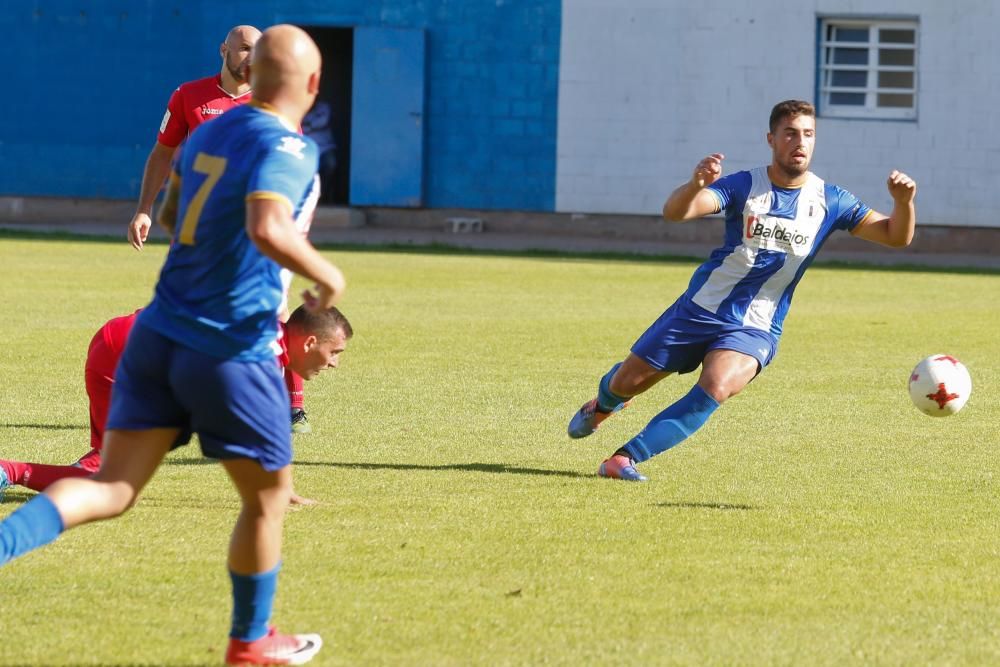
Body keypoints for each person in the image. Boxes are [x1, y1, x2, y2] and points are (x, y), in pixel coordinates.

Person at [0, 25, 345, 666]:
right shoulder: (292, 149)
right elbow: (269, 226)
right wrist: (326, 276)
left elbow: (169, 215)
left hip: (156, 334)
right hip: (229, 345)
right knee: (268, 500)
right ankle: (250, 643)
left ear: (252, 73)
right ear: (314, 86)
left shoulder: (208, 132)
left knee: (111, 487)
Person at [567, 99, 917, 482]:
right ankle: (603, 406)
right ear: (771, 139)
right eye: (790, 133)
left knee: (717, 385)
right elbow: (677, 212)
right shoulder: (745, 186)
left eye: (808, 134)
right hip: (700, 309)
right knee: (625, 383)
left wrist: (904, 203)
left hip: (757, 325)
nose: (800, 142)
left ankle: (624, 459)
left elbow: (895, 237)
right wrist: (696, 185)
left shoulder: (832, 200)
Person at [0, 304, 352, 502]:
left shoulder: (267, 331)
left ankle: (91, 466)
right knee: (111, 481)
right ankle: (10, 471)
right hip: (126, 358)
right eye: (334, 352)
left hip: (122, 341)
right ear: (308, 343)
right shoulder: (261, 358)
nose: (334, 362)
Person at [127, 24, 261, 252]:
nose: (251, 57)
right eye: (245, 48)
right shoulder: (189, 95)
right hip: (196, 227)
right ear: (223, 50)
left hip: (249, 228)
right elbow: (162, 153)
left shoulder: (273, 104)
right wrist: (144, 209)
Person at [301, 100, 337, 203]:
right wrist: (309, 125)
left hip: (325, 148)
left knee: (331, 165)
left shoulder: (323, 107)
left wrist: (309, 125)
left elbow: (323, 121)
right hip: (307, 150)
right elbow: (299, 127)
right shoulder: (301, 108)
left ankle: (323, 196)